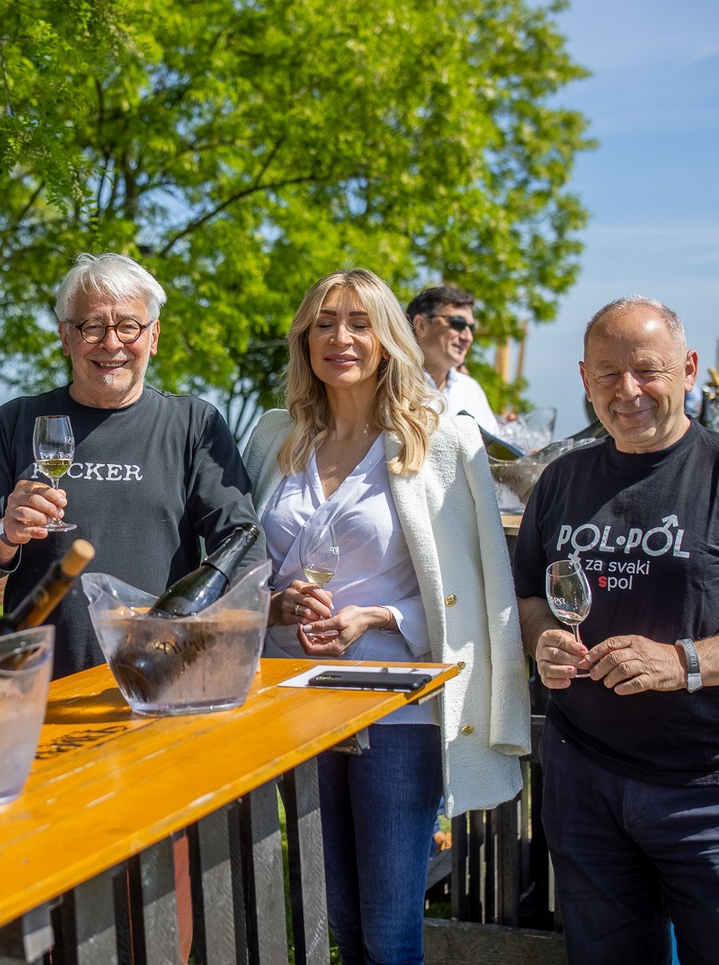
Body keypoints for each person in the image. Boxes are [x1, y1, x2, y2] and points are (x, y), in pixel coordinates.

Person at [515, 297, 719, 965]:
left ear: (688, 369)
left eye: (647, 371)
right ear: (583, 379)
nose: (627, 390)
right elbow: (530, 599)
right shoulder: (561, 480)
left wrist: (682, 662)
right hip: (585, 778)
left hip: (714, 788)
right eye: (608, 374)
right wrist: (542, 638)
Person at [240, 270, 529, 965]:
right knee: (336, 916)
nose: (339, 338)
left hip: (395, 704)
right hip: (290, 699)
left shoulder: (440, 439)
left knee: (390, 933)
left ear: (389, 338)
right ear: (303, 339)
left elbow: (475, 586)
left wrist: (377, 614)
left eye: (358, 323)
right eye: (324, 323)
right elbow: (240, 559)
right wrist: (272, 602)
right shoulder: (275, 435)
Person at [0, 252, 259, 677]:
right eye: (92, 326)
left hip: (160, 679)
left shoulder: (194, 425)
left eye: (129, 326)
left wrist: (221, 642)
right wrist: (5, 534)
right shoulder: (15, 422)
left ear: (153, 336)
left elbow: (243, 546)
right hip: (38, 686)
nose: (111, 344)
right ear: (65, 337)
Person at [405, 284, 499, 432]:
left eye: (471, 328)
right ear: (421, 325)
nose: (468, 337)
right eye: (458, 324)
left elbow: (494, 444)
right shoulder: (389, 384)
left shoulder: (471, 389)